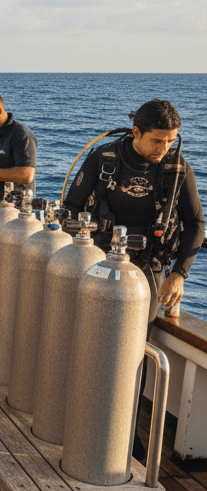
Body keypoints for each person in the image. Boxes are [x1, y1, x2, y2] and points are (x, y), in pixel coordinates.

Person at [64, 99, 203, 324]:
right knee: (89, 328)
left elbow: (196, 224)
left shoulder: (177, 169)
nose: (163, 148)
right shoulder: (103, 158)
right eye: (156, 140)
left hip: (152, 264)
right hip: (100, 259)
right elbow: (71, 208)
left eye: (170, 140)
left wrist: (179, 274)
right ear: (136, 132)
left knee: (138, 336)